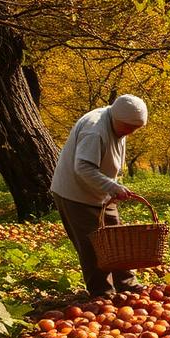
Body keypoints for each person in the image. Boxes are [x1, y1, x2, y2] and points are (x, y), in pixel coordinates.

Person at [50, 95, 148, 297]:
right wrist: (111, 186)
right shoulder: (94, 130)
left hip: (101, 193)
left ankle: (126, 283)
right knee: (93, 246)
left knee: (117, 240)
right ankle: (102, 292)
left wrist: (113, 186)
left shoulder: (118, 123)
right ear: (116, 117)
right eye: (129, 127)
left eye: (136, 128)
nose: (132, 132)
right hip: (75, 194)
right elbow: (83, 167)